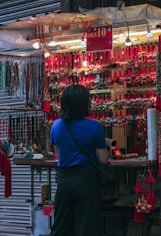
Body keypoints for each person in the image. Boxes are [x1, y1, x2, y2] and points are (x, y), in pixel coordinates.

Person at [50, 84, 109, 236]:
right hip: (87, 180)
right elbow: (103, 158)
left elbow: (58, 153)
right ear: (84, 104)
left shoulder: (56, 126)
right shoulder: (94, 127)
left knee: (62, 226)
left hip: (65, 180)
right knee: (88, 226)